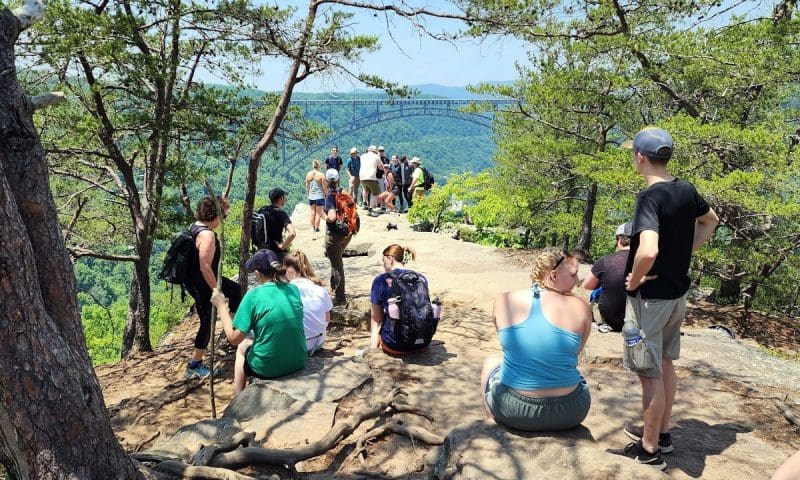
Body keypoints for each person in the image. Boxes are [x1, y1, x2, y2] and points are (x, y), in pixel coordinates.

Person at [617, 127, 719, 470]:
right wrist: (684, 252)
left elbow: (647, 249)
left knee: (649, 373)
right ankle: (662, 435)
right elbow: (710, 220)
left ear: (640, 157)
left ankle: (648, 451)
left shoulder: (650, 197)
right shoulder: (685, 189)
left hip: (649, 299)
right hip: (676, 293)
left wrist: (632, 280)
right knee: (663, 364)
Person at [480, 248, 592, 432]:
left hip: (512, 409)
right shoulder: (581, 306)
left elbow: (510, 346)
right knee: (577, 376)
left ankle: (493, 422)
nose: (578, 281)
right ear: (554, 276)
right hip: (571, 411)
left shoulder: (504, 300)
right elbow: (577, 350)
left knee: (492, 361)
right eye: (573, 275)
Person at [211, 249, 306, 394]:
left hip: (267, 368)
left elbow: (234, 338)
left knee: (242, 346)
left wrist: (221, 307)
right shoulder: (293, 289)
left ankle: (239, 397)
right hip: (299, 360)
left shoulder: (253, 296)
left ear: (257, 273)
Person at [184, 196, 242, 379]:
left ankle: (237, 333)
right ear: (214, 215)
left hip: (196, 280)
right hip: (203, 283)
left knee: (237, 292)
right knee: (207, 322)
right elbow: (205, 266)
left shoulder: (195, 227)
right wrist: (217, 290)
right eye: (223, 216)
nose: (222, 220)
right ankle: (195, 364)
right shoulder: (207, 235)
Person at [369, 244, 434, 354]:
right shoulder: (421, 278)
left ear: (390, 258)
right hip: (422, 344)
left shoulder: (380, 280)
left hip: (395, 346)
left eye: (383, 261)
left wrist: (372, 351)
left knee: (379, 320)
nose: (383, 265)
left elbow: (377, 320)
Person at [581, 222, 632, 332]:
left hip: (610, 318)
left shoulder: (605, 260)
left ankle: (600, 321)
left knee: (597, 292)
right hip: (636, 318)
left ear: (618, 240)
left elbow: (587, 286)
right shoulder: (646, 262)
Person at [284, 250, 333, 355]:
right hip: (317, 342)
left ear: (289, 271)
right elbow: (327, 319)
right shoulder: (320, 289)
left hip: (298, 346)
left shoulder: (286, 291)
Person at [323, 168, 353, 305]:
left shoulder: (330, 196)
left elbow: (332, 217)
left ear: (326, 181)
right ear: (338, 180)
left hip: (334, 235)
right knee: (336, 260)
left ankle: (340, 298)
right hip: (346, 233)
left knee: (336, 265)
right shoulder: (344, 193)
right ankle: (334, 288)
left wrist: (322, 215)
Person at [262, 187, 296, 261]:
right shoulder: (281, 213)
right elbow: (292, 234)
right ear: (281, 199)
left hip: (261, 250)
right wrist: (283, 246)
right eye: (284, 197)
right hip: (275, 253)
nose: (285, 199)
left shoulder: (262, 210)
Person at [305, 159, 328, 234]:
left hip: (311, 196)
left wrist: (308, 194)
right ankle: (317, 228)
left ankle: (313, 227)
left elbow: (307, 186)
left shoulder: (308, 174)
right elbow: (324, 187)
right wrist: (326, 194)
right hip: (319, 196)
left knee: (312, 212)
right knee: (318, 213)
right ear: (319, 166)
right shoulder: (321, 175)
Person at [359, 145, 383, 213]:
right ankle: (370, 209)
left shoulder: (362, 156)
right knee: (376, 192)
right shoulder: (376, 156)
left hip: (362, 176)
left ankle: (364, 202)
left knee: (365, 189)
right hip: (371, 177)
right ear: (375, 151)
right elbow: (381, 167)